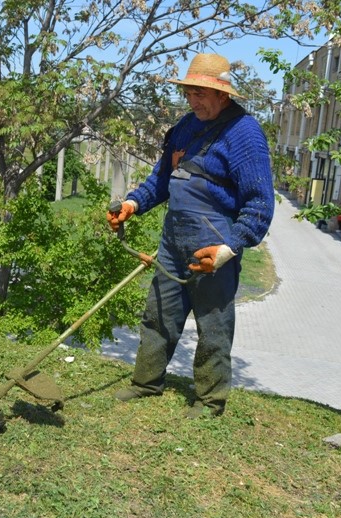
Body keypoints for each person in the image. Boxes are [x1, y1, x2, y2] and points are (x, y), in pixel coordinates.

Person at [106, 53, 275, 419]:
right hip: (173, 239)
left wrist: (229, 249)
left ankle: (211, 401)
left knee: (213, 325)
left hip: (214, 242)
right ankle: (146, 382)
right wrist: (133, 204)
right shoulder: (185, 127)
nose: (194, 100)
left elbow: (260, 204)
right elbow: (161, 182)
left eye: (201, 93)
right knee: (159, 314)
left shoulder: (245, 134)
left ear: (223, 95)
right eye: (189, 92)